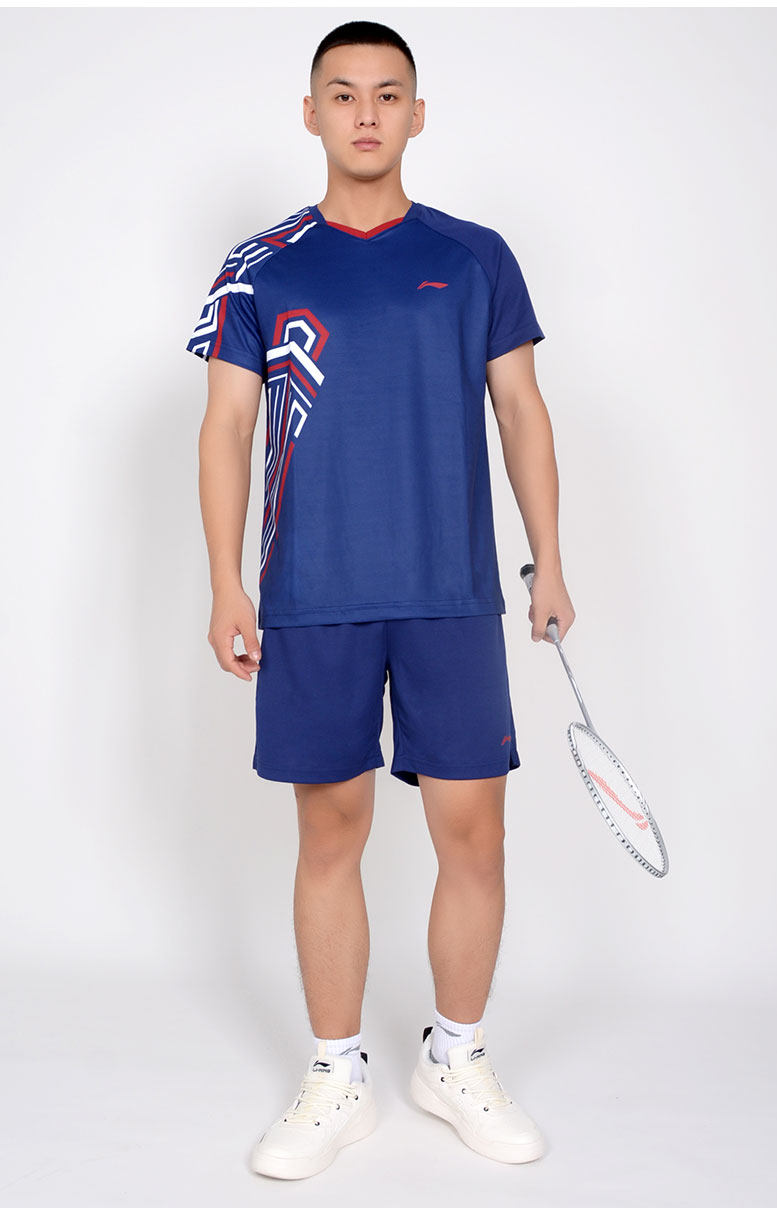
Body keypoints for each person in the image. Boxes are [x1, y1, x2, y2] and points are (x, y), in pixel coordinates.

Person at [186, 19, 575, 1180]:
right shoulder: (260, 266)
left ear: (417, 114)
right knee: (330, 832)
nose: (366, 113)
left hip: (451, 591)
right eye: (344, 93)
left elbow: (522, 410)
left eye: (387, 93)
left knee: (475, 832)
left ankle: (455, 1056)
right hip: (312, 594)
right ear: (310, 113)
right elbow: (226, 428)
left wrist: (550, 557)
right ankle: (335, 1073)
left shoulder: (475, 257)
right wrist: (226, 581)